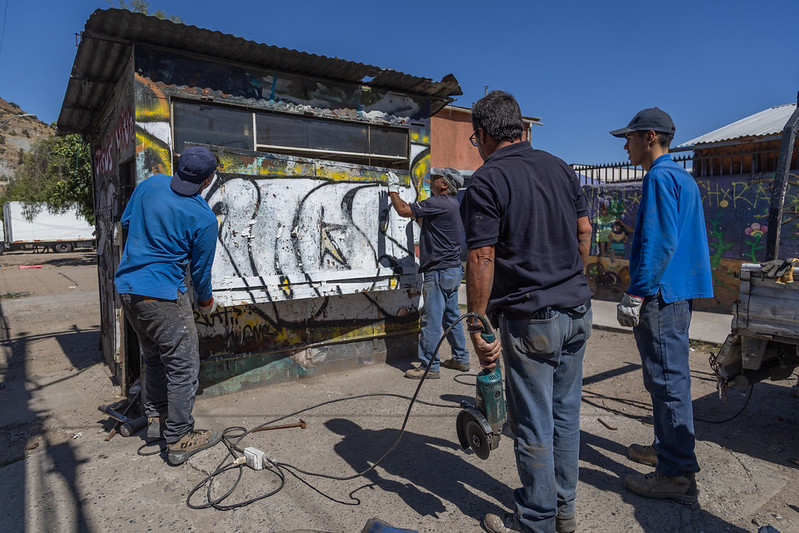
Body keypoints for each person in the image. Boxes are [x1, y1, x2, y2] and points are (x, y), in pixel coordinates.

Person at [461, 90, 593, 533]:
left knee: (534, 422)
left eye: (475, 140)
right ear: (522, 128)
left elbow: (481, 258)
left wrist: (478, 324)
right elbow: (584, 231)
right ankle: (565, 511)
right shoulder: (561, 168)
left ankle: (535, 519)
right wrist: (570, 279)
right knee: (566, 417)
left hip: (531, 319)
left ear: (482, 134)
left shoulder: (486, 181)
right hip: (577, 311)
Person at [610, 107, 713, 505]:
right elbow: (669, 232)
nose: (626, 145)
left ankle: (675, 473)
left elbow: (660, 242)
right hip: (678, 293)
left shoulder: (658, 176)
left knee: (667, 381)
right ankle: (666, 446)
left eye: (630, 137)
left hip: (661, 295)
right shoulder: (682, 177)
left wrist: (636, 293)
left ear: (649, 137)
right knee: (666, 379)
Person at [115, 146, 222, 466]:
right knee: (183, 366)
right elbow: (201, 272)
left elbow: (126, 221)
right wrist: (205, 302)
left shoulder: (150, 185)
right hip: (163, 296)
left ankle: (155, 420)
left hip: (129, 291)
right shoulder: (203, 217)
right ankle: (178, 438)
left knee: (155, 358)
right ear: (208, 180)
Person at [387, 166, 470, 379]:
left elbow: (404, 211)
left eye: (435, 177)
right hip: (452, 271)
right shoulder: (451, 204)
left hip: (439, 272)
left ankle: (428, 367)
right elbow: (423, 220)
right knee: (451, 317)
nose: (431, 179)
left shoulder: (439, 202)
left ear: (444, 185)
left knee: (431, 319)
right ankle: (461, 358)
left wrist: (393, 191)